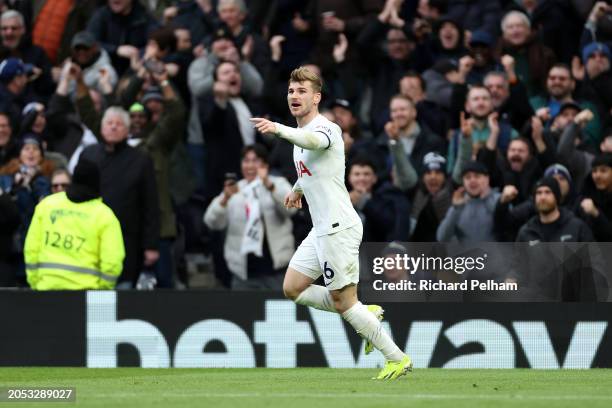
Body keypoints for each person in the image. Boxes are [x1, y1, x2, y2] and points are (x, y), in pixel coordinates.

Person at [250, 67, 412, 380]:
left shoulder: (326, 129)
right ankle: (363, 312)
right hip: (322, 228)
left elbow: (312, 142)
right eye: (291, 91)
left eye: (302, 92)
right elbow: (316, 165)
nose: (295, 97)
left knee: (343, 303)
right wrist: (298, 188)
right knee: (292, 288)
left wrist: (278, 129)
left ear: (317, 97)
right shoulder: (303, 136)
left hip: (339, 226)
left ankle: (396, 357)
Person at [204, 144, 295, 289]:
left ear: (265, 164)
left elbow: (292, 209)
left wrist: (269, 185)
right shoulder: (234, 190)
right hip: (243, 273)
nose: (250, 165)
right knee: (245, 312)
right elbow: (212, 222)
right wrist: (225, 199)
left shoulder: (277, 183)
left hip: (277, 271)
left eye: (256, 160)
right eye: (246, 161)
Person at [24, 159, 124, 290]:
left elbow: (31, 248)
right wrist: (103, 288)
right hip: (87, 293)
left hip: (46, 289)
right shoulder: (104, 215)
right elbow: (112, 261)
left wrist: (35, 282)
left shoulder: (47, 205)